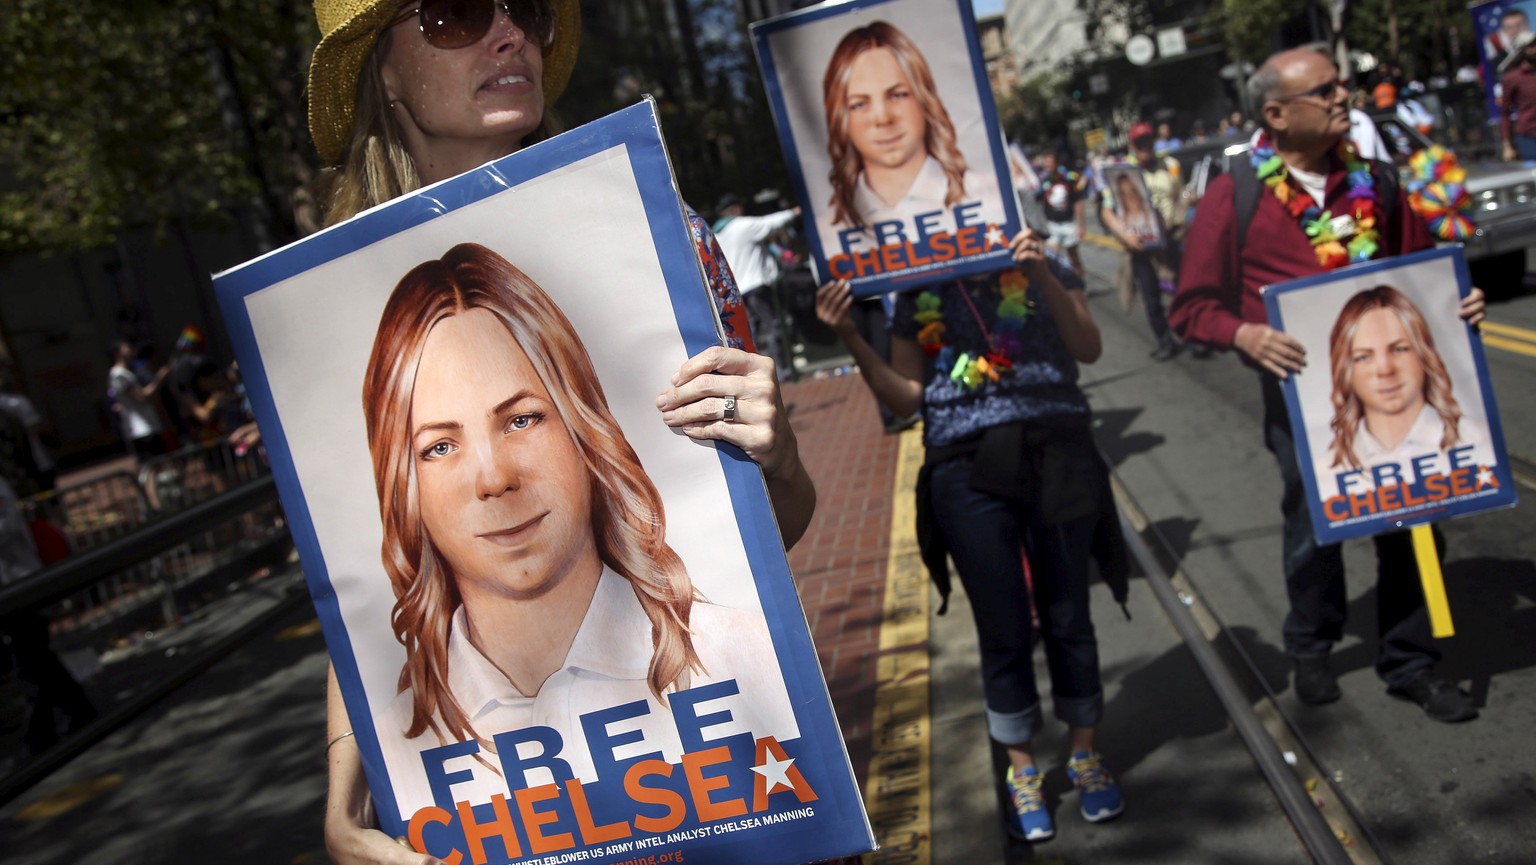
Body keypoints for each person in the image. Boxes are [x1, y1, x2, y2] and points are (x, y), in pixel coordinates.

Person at [300, 1, 819, 861]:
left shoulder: (660, 243)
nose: (508, 34)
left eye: (525, 9)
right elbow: (360, 596)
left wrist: (782, 455)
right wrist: (341, 805)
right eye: (455, 12)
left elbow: (771, 535)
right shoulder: (327, 307)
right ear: (381, 71)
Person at [361, 242, 796, 812]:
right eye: (439, 447)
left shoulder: (738, 651)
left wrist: (781, 456)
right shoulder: (401, 742)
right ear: (403, 485)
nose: (493, 478)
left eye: (521, 419)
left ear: (582, 427)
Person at [1169, 47, 1486, 724]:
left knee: (1411, 515)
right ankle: (1311, 645)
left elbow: (1424, 272)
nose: (1345, 96)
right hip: (1301, 398)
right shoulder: (1237, 193)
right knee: (1313, 521)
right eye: (1327, 89)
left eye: (1342, 85)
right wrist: (1245, 335)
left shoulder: (1376, 181)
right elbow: (1192, 307)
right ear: (1277, 114)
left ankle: (1412, 660)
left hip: (1397, 387)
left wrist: (1461, 304)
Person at [815, 230, 1128, 843]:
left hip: (1056, 449)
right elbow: (908, 397)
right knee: (1003, 622)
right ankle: (1022, 770)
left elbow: (1087, 346)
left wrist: (1039, 275)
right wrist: (851, 334)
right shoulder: (918, 290)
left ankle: (1085, 752)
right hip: (964, 467)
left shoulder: (1046, 262)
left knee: (1069, 610)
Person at [818, 20, 1003, 249]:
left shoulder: (987, 193)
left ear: (924, 99)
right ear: (840, 117)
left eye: (897, 95)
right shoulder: (829, 229)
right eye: (859, 104)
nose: (883, 118)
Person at [1313, 285, 1493, 496]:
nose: (1385, 370)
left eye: (1399, 349)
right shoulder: (1329, 471)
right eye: (1363, 357)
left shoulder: (1477, 438)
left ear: (1424, 354)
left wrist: (1461, 294)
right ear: (1345, 370)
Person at [1099, 122, 1184, 361]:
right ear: (1132, 146)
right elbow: (1107, 210)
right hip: (1140, 242)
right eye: (1139, 144)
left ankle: (1191, 335)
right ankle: (1165, 340)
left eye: (1148, 142)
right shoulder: (1121, 172)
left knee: (1182, 288)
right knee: (1151, 296)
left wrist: (1181, 214)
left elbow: (1180, 195)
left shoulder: (1170, 166)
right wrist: (1125, 236)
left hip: (1170, 237)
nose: (1144, 148)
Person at [713, 193, 801, 380]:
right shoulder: (741, 226)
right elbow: (770, 223)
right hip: (756, 285)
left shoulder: (717, 234)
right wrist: (794, 212)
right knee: (773, 327)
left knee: (749, 334)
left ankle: (752, 374)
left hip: (736, 291)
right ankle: (779, 372)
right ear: (735, 210)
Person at [107, 339, 171, 462]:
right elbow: (142, 397)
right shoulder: (119, 374)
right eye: (126, 347)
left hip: (146, 426)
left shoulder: (124, 373)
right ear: (118, 353)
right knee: (153, 466)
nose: (131, 349)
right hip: (141, 429)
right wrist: (159, 379)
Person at [0, 365, 57, 492]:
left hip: (11, 470)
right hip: (33, 462)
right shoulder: (17, 402)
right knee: (50, 500)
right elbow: (35, 427)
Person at [1035, 151, 1086, 275]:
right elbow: (1036, 202)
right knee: (1053, 259)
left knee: (1074, 258)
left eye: (1050, 163)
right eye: (1046, 164)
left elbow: (1078, 202)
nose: (1048, 167)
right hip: (1052, 226)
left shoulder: (1068, 179)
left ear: (1057, 164)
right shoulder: (1043, 182)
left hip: (1068, 224)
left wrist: (1081, 225)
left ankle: (1080, 286)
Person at [1500, 33, 1536, 161]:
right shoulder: (1512, 78)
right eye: (1531, 45)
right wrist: (1507, 145)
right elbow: (1504, 112)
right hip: (1529, 136)